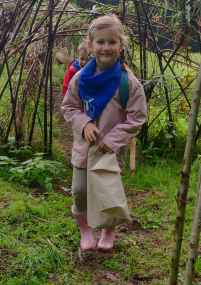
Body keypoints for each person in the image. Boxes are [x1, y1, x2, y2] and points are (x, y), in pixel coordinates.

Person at [61, 15, 147, 252]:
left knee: (107, 191)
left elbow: (136, 118)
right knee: (79, 190)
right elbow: (69, 107)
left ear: (121, 45)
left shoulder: (128, 82)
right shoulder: (80, 79)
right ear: (90, 45)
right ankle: (85, 230)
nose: (106, 47)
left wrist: (112, 140)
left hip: (109, 149)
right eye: (100, 42)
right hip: (84, 146)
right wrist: (85, 123)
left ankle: (108, 231)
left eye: (112, 42)